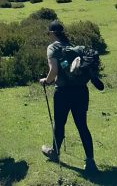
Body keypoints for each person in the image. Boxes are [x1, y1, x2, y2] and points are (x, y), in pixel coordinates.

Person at [39, 21, 98, 173]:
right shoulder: (75, 47)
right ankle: (90, 161)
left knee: (59, 123)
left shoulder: (53, 47)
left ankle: (54, 152)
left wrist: (46, 81)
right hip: (81, 91)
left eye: (48, 33)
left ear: (52, 33)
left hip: (63, 92)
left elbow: (53, 70)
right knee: (82, 126)